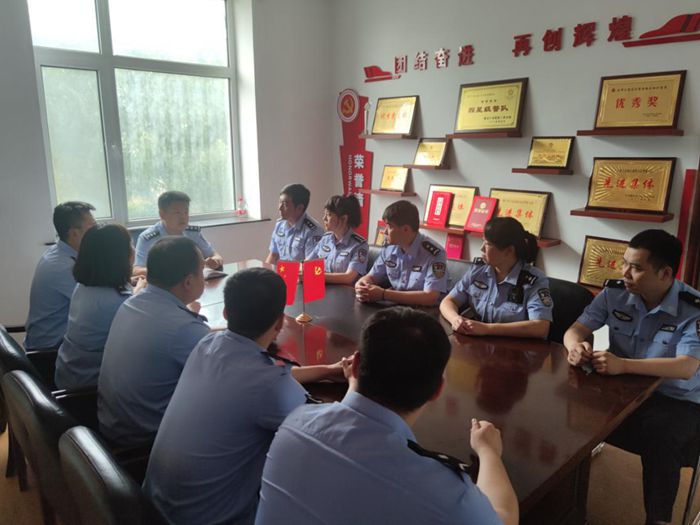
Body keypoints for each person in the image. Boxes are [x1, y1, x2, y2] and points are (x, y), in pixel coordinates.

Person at [255, 307, 519, 525]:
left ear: (355, 365)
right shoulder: (446, 497)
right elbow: (504, 519)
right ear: (437, 390)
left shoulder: (293, 424)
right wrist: (488, 452)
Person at [143, 268, 348, 525]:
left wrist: (327, 370)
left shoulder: (207, 345)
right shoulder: (269, 384)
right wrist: (355, 384)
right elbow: (329, 434)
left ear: (226, 313)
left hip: (155, 508)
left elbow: (259, 379)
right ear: (280, 323)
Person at [564, 229, 700, 525]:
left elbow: (686, 367)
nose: (624, 272)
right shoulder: (615, 293)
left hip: (676, 398)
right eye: (624, 262)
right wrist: (575, 347)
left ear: (665, 273)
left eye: (636, 267)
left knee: (662, 438)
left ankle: (658, 520)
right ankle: (564, 504)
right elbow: (576, 330)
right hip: (622, 388)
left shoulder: (693, 308)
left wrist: (624, 365)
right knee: (566, 407)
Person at [98, 236, 209, 446]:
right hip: (148, 441)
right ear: (188, 281)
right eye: (202, 271)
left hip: (113, 426)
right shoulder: (184, 329)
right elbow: (227, 375)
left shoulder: (131, 304)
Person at [55, 224, 146, 390]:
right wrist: (138, 293)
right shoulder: (120, 303)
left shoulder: (83, 287)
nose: (133, 250)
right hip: (89, 388)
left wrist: (132, 289)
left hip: (69, 374)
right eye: (130, 245)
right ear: (119, 257)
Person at [440, 217, 553, 339]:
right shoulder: (478, 270)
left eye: (488, 244)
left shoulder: (534, 280)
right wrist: (455, 319)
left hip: (513, 347)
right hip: (476, 343)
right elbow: (448, 301)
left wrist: (488, 329)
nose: (482, 248)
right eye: (483, 241)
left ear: (509, 251)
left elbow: (541, 327)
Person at [25, 201, 96, 350]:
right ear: (74, 233)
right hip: (50, 351)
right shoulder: (62, 267)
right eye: (92, 228)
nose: (97, 232)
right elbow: (95, 304)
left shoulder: (61, 252)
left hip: (54, 341)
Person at [354, 200, 447, 306]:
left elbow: (430, 297)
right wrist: (361, 285)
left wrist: (384, 294)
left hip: (425, 310)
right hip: (396, 306)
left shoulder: (434, 253)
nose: (385, 231)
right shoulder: (389, 248)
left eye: (389, 226)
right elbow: (372, 277)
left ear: (406, 229)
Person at [133, 191, 223, 276]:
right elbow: (137, 271)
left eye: (186, 212)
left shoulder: (192, 233)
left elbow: (216, 256)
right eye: (177, 213)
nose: (183, 217)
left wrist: (215, 262)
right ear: (162, 214)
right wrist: (166, 271)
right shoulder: (149, 238)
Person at [308, 194, 369, 284]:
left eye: (328, 215)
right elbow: (307, 262)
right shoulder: (326, 239)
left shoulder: (360, 245)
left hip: (345, 291)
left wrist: (316, 275)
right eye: (324, 214)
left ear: (343, 219)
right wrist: (303, 270)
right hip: (323, 287)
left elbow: (348, 277)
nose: (324, 218)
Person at [265, 183, 322, 264]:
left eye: (285, 204)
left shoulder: (313, 231)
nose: (280, 208)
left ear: (300, 208)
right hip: (282, 271)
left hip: (301, 272)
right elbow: (273, 255)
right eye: (280, 202)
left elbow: (311, 267)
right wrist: (264, 271)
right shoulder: (280, 225)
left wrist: (285, 271)